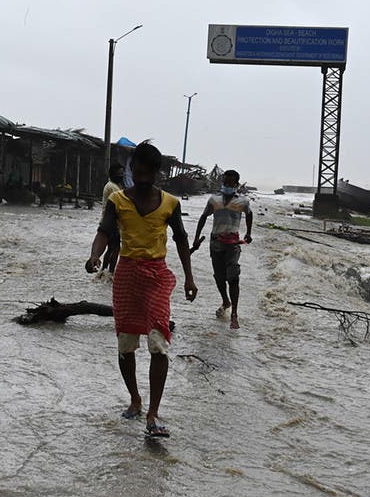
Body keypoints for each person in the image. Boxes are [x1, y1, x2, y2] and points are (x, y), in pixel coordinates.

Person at [86, 142, 197, 438]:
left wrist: (189, 277)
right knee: (126, 344)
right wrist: (95, 255)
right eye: (139, 171)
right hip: (126, 276)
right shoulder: (118, 200)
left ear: (156, 172)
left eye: (149, 172)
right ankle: (135, 398)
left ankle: (153, 413)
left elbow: (182, 240)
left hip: (157, 275)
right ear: (133, 170)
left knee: (159, 343)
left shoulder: (171, 203)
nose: (143, 176)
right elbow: (104, 232)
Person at [192, 169, 253, 329]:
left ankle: (234, 314)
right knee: (219, 277)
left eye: (230, 183)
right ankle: (226, 301)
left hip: (233, 244)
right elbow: (204, 217)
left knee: (233, 276)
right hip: (216, 242)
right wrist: (196, 237)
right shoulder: (214, 200)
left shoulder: (243, 201)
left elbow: (250, 214)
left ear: (236, 184)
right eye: (225, 182)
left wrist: (248, 233)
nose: (227, 185)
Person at [99, 163, 126, 278]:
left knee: (111, 248)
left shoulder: (113, 186)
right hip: (112, 223)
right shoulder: (113, 188)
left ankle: (104, 272)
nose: (121, 175)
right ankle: (110, 272)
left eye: (122, 173)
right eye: (119, 173)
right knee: (115, 249)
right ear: (112, 174)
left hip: (108, 222)